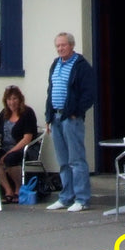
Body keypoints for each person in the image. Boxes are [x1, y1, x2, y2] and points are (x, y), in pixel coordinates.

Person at [43, 31, 96, 212]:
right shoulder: (55, 65)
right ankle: (66, 197)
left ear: (71, 46)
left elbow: (89, 93)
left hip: (71, 119)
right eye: (58, 46)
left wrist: (77, 112)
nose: (60, 48)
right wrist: (48, 117)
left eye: (63, 45)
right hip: (56, 117)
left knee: (76, 160)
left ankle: (82, 199)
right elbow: (50, 91)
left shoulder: (81, 66)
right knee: (63, 161)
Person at [0, 85, 39, 200]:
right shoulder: (4, 114)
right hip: (6, 147)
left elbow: (27, 138)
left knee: (10, 158)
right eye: (9, 99)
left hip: (23, 148)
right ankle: (8, 190)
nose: (12, 102)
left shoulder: (27, 113)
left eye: (14, 98)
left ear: (20, 99)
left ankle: (18, 188)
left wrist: (9, 153)